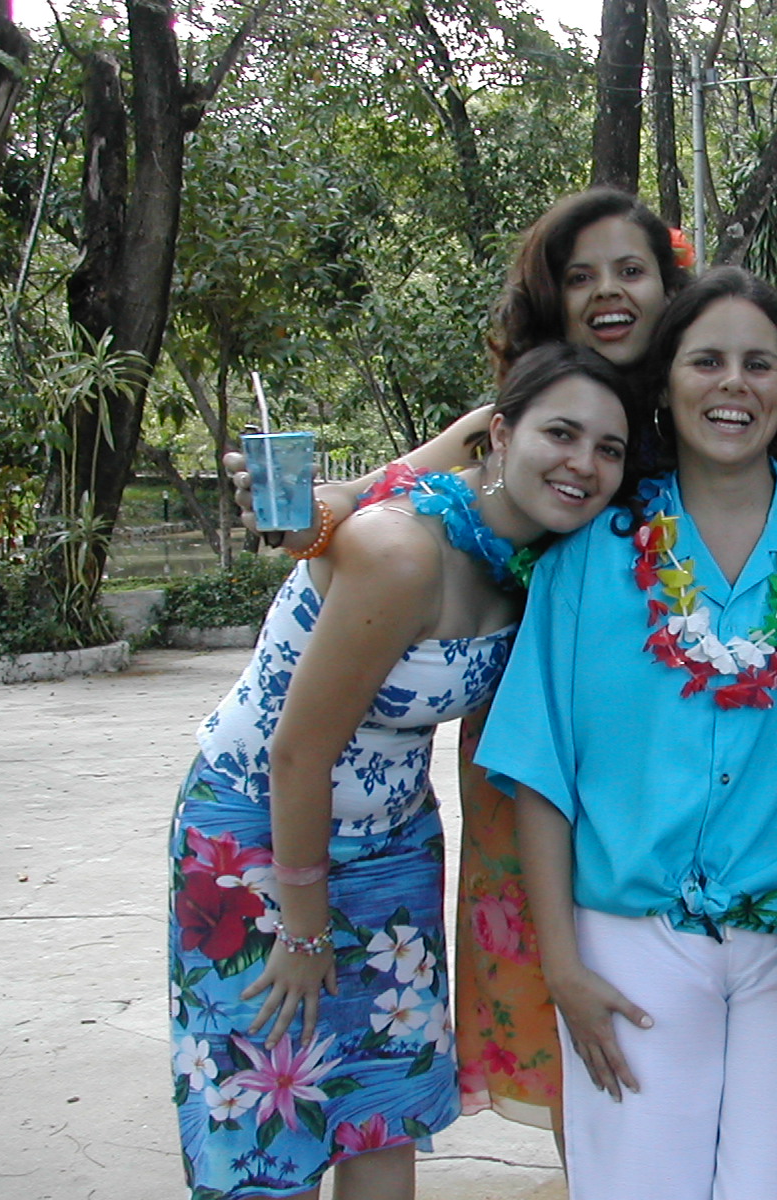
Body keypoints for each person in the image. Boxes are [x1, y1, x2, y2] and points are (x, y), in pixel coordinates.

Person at [168, 344, 638, 1200]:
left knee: (382, 1109)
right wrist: (304, 931)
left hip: (395, 844)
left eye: (609, 449)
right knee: (264, 1123)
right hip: (259, 841)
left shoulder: (533, 561)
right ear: (501, 435)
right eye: (561, 434)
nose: (583, 464)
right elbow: (297, 753)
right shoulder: (402, 550)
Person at [475, 266, 777, 1200]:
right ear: (663, 383)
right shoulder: (588, 557)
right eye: (706, 361)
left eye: (758, 364)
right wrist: (561, 967)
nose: (732, 383)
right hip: (629, 942)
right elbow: (541, 772)